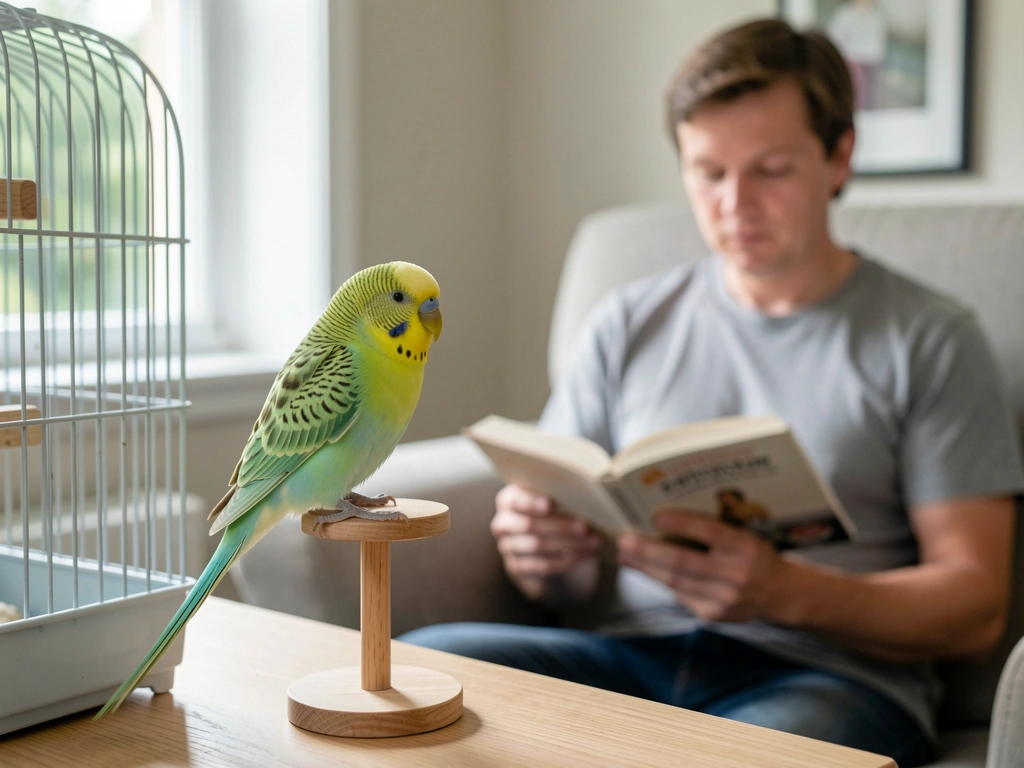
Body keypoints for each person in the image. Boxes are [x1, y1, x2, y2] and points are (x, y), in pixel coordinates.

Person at [400, 18, 1023, 766]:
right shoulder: (628, 323)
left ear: (839, 158)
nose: (735, 203)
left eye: (771, 169)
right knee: (416, 672)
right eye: (708, 172)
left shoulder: (930, 338)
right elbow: (565, 577)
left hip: (830, 676)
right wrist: (545, 556)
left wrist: (785, 591)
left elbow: (975, 608)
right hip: (628, 660)